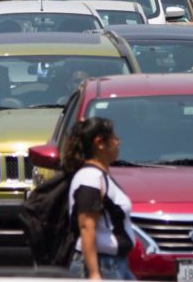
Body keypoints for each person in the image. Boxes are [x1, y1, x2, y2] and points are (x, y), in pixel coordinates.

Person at [63, 118, 135, 280]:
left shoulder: (100, 176)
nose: (118, 143)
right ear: (100, 143)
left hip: (114, 264)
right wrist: (94, 273)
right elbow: (87, 226)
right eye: (114, 139)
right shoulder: (90, 178)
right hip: (104, 265)